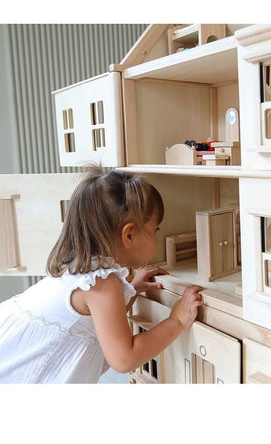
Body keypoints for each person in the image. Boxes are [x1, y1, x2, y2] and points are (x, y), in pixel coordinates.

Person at [0, 164, 203, 383]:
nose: (156, 237)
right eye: (155, 229)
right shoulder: (103, 285)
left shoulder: (79, 268)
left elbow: (98, 320)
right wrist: (177, 321)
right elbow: (124, 359)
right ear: (129, 235)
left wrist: (131, 289)